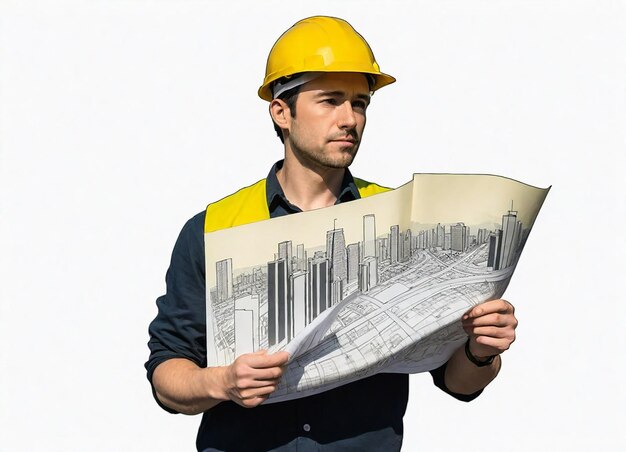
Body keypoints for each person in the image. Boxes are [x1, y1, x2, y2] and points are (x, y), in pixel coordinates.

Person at [145, 16, 518, 451]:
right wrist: (223, 381)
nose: (350, 119)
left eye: (360, 103)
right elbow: (166, 375)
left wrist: (481, 350)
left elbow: (458, 384)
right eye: (331, 100)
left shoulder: (406, 221)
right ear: (281, 111)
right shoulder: (213, 228)